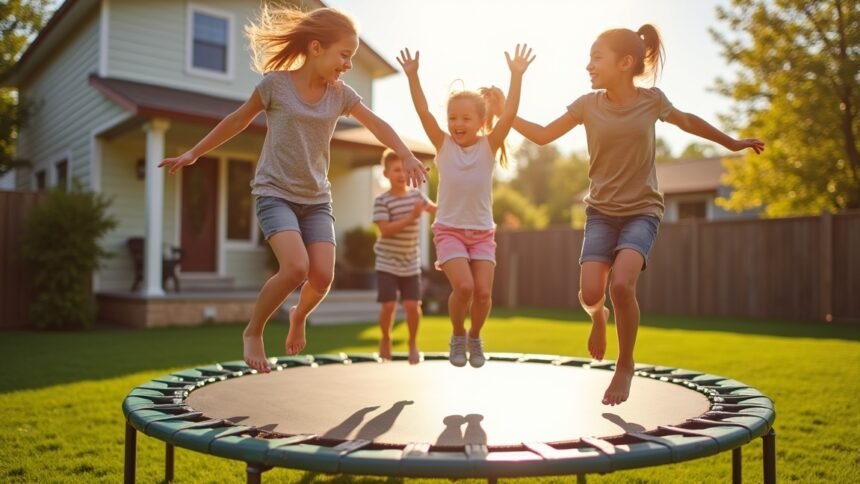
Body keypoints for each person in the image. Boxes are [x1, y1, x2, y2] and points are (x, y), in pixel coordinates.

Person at [491, 25, 764, 405]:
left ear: (625, 62)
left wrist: (731, 142)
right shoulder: (587, 105)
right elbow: (541, 135)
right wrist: (505, 111)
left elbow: (688, 121)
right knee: (591, 293)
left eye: (596, 58)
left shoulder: (652, 101)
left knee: (621, 285)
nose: (589, 66)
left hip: (642, 211)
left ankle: (625, 363)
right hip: (601, 212)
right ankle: (598, 317)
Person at [159, 5, 428, 374]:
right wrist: (194, 152)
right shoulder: (276, 85)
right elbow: (237, 120)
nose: (348, 64)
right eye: (344, 55)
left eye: (351, 57)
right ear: (316, 48)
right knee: (297, 267)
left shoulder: (340, 94)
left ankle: (299, 314)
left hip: (316, 199)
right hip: (275, 193)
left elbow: (377, 124)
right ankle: (254, 330)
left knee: (323, 277)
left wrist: (405, 153)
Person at [397, 44, 535, 368]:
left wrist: (516, 76)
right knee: (464, 287)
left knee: (483, 294)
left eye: (465, 118)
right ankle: (458, 335)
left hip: (482, 233)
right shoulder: (443, 145)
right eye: (452, 118)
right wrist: (413, 76)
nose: (457, 123)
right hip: (450, 231)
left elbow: (509, 114)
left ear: (481, 121)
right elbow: (424, 112)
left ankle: (475, 336)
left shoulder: (489, 145)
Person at [373, 149, 437, 365]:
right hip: (387, 262)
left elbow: (436, 210)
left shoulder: (416, 196)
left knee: (412, 305)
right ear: (386, 174)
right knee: (389, 305)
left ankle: (412, 343)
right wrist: (411, 217)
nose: (401, 174)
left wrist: (449, 185)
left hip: (410, 262)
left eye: (404, 170)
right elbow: (385, 230)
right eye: (396, 170)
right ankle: (385, 338)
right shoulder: (382, 201)